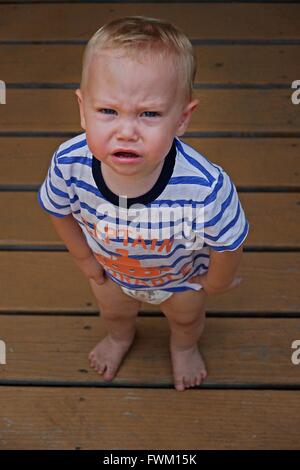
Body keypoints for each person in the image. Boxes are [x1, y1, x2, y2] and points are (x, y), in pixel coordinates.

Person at [37, 16, 250, 391]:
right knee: (114, 313)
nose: (127, 131)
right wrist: (84, 258)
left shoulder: (203, 186)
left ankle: (183, 348)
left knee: (186, 320)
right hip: (110, 269)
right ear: (83, 109)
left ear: (181, 119)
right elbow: (58, 209)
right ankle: (120, 338)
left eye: (149, 114)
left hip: (181, 276)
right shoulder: (70, 164)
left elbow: (229, 241)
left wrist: (214, 282)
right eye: (108, 111)